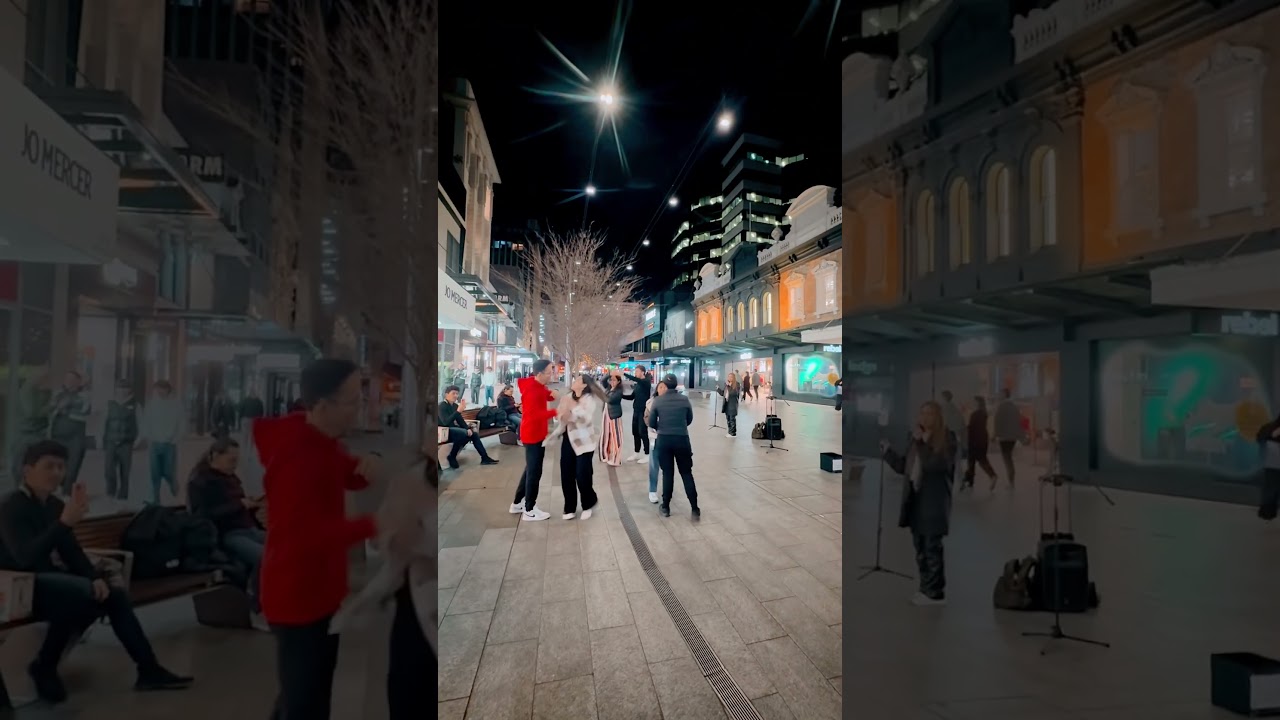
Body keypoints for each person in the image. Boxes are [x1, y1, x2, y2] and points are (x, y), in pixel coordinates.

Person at [0, 440, 193, 703]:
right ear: (27, 471)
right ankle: (45, 665)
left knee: (113, 595)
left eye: (61, 467)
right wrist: (65, 523)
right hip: (17, 585)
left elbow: (71, 551)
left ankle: (149, 669)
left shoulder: (55, 505)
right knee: (81, 595)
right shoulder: (12, 506)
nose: (56, 473)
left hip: (47, 581)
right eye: (49, 466)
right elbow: (24, 557)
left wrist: (93, 577)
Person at [254, 358, 381, 720]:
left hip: (317, 590)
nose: (361, 408)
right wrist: (376, 522)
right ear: (323, 406)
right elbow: (306, 536)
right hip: (298, 597)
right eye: (353, 400)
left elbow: (344, 474)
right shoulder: (299, 456)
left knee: (300, 695)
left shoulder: (319, 440)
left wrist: (365, 466)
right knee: (306, 703)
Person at [879, 401, 957, 606]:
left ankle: (935, 594)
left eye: (930, 413)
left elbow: (935, 465)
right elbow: (906, 466)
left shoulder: (947, 439)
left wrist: (922, 443)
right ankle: (925, 589)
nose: (925, 417)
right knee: (920, 549)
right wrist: (888, 453)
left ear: (938, 417)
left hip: (934, 502)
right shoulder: (916, 440)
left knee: (932, 548)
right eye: (922, 413)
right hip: (916, 501)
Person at [186, 437, 266, 627]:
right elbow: (203, 516)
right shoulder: (200, 481)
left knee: (288, 547)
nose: (235, 465)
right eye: (231, 460)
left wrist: (252, 504)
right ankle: (257, 606)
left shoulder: (230, 477)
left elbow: (237, 505)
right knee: (264, 557)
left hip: (248, 529)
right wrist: (239, 504)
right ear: (215, 456)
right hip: (228, 534)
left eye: (236, 460)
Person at [545, 374, 605, 520]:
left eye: (577, 380)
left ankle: (588, 503)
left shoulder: (589, 400)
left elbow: (585, 419)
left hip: (585, 441)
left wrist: (571, 410)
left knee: (582, 475)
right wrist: (562, 415)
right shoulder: (567, 397)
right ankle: (569, 507)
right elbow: (560, 415)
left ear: (584, 385)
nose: (574, 381)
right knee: (566, 474)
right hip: (568, 438)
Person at [509, 359, 557, 521]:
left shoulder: (535, 385)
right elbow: (535, 414)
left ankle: (517, 503)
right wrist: (557, 412)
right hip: (533, 434)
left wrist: (550, 395)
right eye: (549, 372)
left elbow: (543, 395)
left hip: (534, 433)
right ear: (539, 374)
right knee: (534, 472)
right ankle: (529, 509)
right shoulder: (533, 390)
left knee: (530, 469)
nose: (552, 375)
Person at [648, 374, 699, 518]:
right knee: (686, 473)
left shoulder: (658, 401)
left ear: (664, 384)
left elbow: (651, 423)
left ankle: (665, 507)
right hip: (682, 439)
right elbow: (689, 419)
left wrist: (662, 427)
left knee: (667, 474)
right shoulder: (684, 400)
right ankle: (694, 508)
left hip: (664, 440)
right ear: (676, 385)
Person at [139, 380, 183, 505]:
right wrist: (148, 438)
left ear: (168, 390)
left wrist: (175, 439)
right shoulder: (151, 405)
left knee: (168, 471)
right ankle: (155, 499)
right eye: (158, 389)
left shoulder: (176, 405)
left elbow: (181, 424)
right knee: (155, 473)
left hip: (170, 444)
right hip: (154, 443)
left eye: (162, 389)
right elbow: (146, 423)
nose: (160, 392)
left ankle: (173, 484)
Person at [438, 386, 499, 470]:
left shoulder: (455, 405)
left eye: (457, 393)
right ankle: (452, 456)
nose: (455, 395)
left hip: (453, 430)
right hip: (443, 431)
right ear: (446, 394)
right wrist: (458, 411)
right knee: (463, 433)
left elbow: (460, 421)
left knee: (473, 434)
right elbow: (445, 422)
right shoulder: (442, 406)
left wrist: (467, 429)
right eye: (453, 393)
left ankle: (484, 457)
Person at [49, 371, 90, 494]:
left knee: (72, 467)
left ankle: (66, 493)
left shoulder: (84, 395)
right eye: (67, 379)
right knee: (57, 466)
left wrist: (66, 408)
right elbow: (51, 409)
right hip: (58, 436)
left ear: (78, 382)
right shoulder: (58, 394)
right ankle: (56, 490)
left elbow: (84, 411)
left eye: (73, 380)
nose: (69, 382)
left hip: (76, 438)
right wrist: (60, 407)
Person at [11, 367, 53, 485]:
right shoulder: (28, 390)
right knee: (20, 464)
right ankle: (19, 489)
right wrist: (52, 406)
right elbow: (32, 413)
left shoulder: (45, 391)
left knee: (37, 465)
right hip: (25, 434)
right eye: (44, 378)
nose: (47, 380)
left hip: (39, 433)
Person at [102, 380, 140, 502]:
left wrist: (138, 440)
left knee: (125, 470)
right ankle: (110, 492)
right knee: (109, 469)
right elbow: (103, 422)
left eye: (125, 388)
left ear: (130, 390)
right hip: (111, 441)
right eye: (119, 388)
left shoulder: (135, 405)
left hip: (127, 443)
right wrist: (99, 438)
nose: (122, 390)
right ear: (116, 389)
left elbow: (141, 423)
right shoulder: (109, 403)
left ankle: (123, 495)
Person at [963, 396, 998, 490]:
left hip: (975, 440)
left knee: (974, 460)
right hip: (982, 439)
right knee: (980, 459)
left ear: (977, 403)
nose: (972, 403)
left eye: (973, 402)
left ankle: (991, 475)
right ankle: (971, 480)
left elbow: (971, 428)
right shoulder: (984, 413)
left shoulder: (975, 414)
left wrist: (966, 435)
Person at [993, 389, 1022, 487]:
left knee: (1007, 459)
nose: (998, 395)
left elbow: (998, 421)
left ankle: (1011, 481)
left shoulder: (1001, 406)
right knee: (1008, 458)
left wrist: (995, 435)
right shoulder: (1014, 406)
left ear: (1004, 395)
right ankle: (1011, 480)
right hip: (1012, 437)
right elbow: (1018, 421)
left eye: (1000, 394)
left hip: (1004, 437)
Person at [644, 380, 667, 503]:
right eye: (661, 387)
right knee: (654, 466)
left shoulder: (671, 403)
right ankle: (652, 490)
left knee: (667, 466)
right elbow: (646, 418)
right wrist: (655, 425)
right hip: (654, 437)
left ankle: (666, 490)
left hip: (668, 438)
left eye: (665, 387)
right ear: (657, 389)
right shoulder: (650, 403)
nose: (663, 389)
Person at [622, 369, 652, 463]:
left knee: (642, 432)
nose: (635, 373)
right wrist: (621, 395)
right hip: (636, 411)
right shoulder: (638, 385)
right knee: (635, 432)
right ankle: (636, 452)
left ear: (643, 372)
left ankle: (647, 454)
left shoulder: (646, 382)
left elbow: (638, 380)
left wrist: (623, 374)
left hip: (643, 411)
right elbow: (632, 397)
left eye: (637, 371)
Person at [1257, 413, 1280, 521]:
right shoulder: (1270, 428)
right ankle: (1267, 512)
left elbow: (1260, 437)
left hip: (1271, 463)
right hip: (1273, 463)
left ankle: (1267, 512)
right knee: (1271, 488)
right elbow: (1261, 437)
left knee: (1271, 488)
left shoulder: (1269, 427)